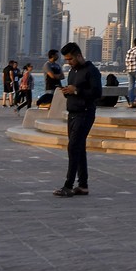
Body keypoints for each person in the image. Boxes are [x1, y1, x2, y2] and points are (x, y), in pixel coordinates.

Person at [53, 42, 102, 198]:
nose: (68, 62)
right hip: (72, 113)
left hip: (85, 113)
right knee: (79, 148)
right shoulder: (73, 71)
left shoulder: (91, 71)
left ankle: (68, 185)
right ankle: (83, 185)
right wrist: (68, 92)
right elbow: (74, 91)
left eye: (70, 59)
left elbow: (96, 93)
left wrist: (77, 90)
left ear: (79, 56)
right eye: (66, 60)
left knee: (73, 148)